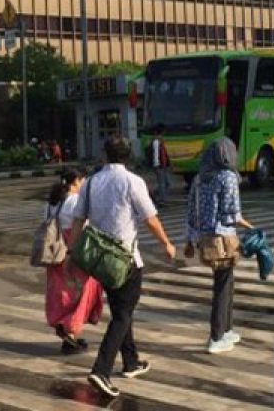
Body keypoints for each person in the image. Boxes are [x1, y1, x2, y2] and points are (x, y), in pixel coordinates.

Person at [71, 135, 177, 399]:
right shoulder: (133, 181)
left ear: (104, 155)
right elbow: (150, 219)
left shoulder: (91, 181)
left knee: (121, 308)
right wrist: (166, 244)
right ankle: (101, 370)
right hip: (125, 260)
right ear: (128, 156)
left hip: (99, 259)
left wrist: (73, 252)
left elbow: (77, 220)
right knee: (122, 314)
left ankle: (131, 362)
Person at [185, 137, 252, 354]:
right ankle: (216, 336)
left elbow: (191, 212)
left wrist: (189, 241)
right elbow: (232, 213)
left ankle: (227, 329)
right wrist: (250, 227)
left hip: (205, 238)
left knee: (226, 282)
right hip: (223, 238)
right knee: (223, 286)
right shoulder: (228, 177)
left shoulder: (199, 178)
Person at [45, 167, 103, 354]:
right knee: (85, 289)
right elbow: (86, 224)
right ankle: (71, 330)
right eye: (83, 180)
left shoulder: (50, 203)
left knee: (61, 293)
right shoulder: (75, 201)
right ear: (76, 181)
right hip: (74, 250)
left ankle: (66, 331)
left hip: (54, 252)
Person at [147, 125, 171, 206]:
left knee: (166, 183)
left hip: (163, 165)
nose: (163, 135)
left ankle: (156, 196)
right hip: (159, 166)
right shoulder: (156, 142)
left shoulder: (160, 141)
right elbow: (156, 155)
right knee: (163, 183)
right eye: (162, 133)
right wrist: (156, 165)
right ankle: (162, 200)